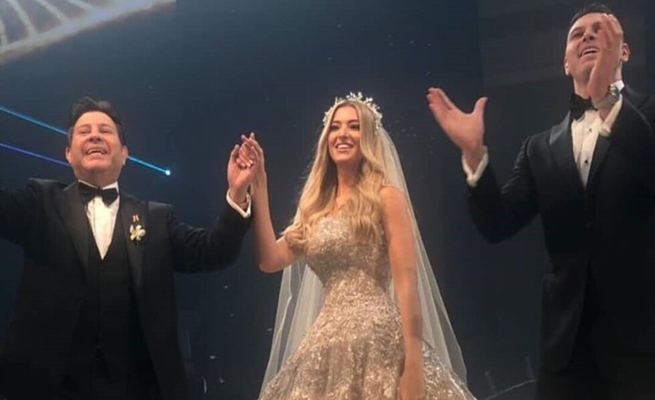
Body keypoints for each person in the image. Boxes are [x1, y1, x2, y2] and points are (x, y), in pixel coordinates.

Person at [427, 3, 655, 399]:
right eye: (577, 34)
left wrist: (605, 98)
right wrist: (474, 155)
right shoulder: (539, 148)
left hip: (643, 342)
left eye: (599, 30)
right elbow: (497, 223)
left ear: (624, 50)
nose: (587, 36)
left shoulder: (649, 115)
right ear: (565, 63)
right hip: (564, 349)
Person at [0, 97, 255, 400]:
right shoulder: (40, 202)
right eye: (84, 131)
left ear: (124, 154)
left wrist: (237, 193)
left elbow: (214, 251)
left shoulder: (156, 218)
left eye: (105, 130)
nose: (95, 136)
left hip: (136, 388)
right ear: (68, 153)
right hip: (46, 386)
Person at [241, 92, 475, 399]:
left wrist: (413, 366)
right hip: (326, 348)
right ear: (326, 138)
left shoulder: (386, 197)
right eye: (335, 127)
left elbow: (407, 285)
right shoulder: (316, 208)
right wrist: (258, 186)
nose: (343, 134)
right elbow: (270, 259)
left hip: (378, 342)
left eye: (354, 126)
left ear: (368, 138)